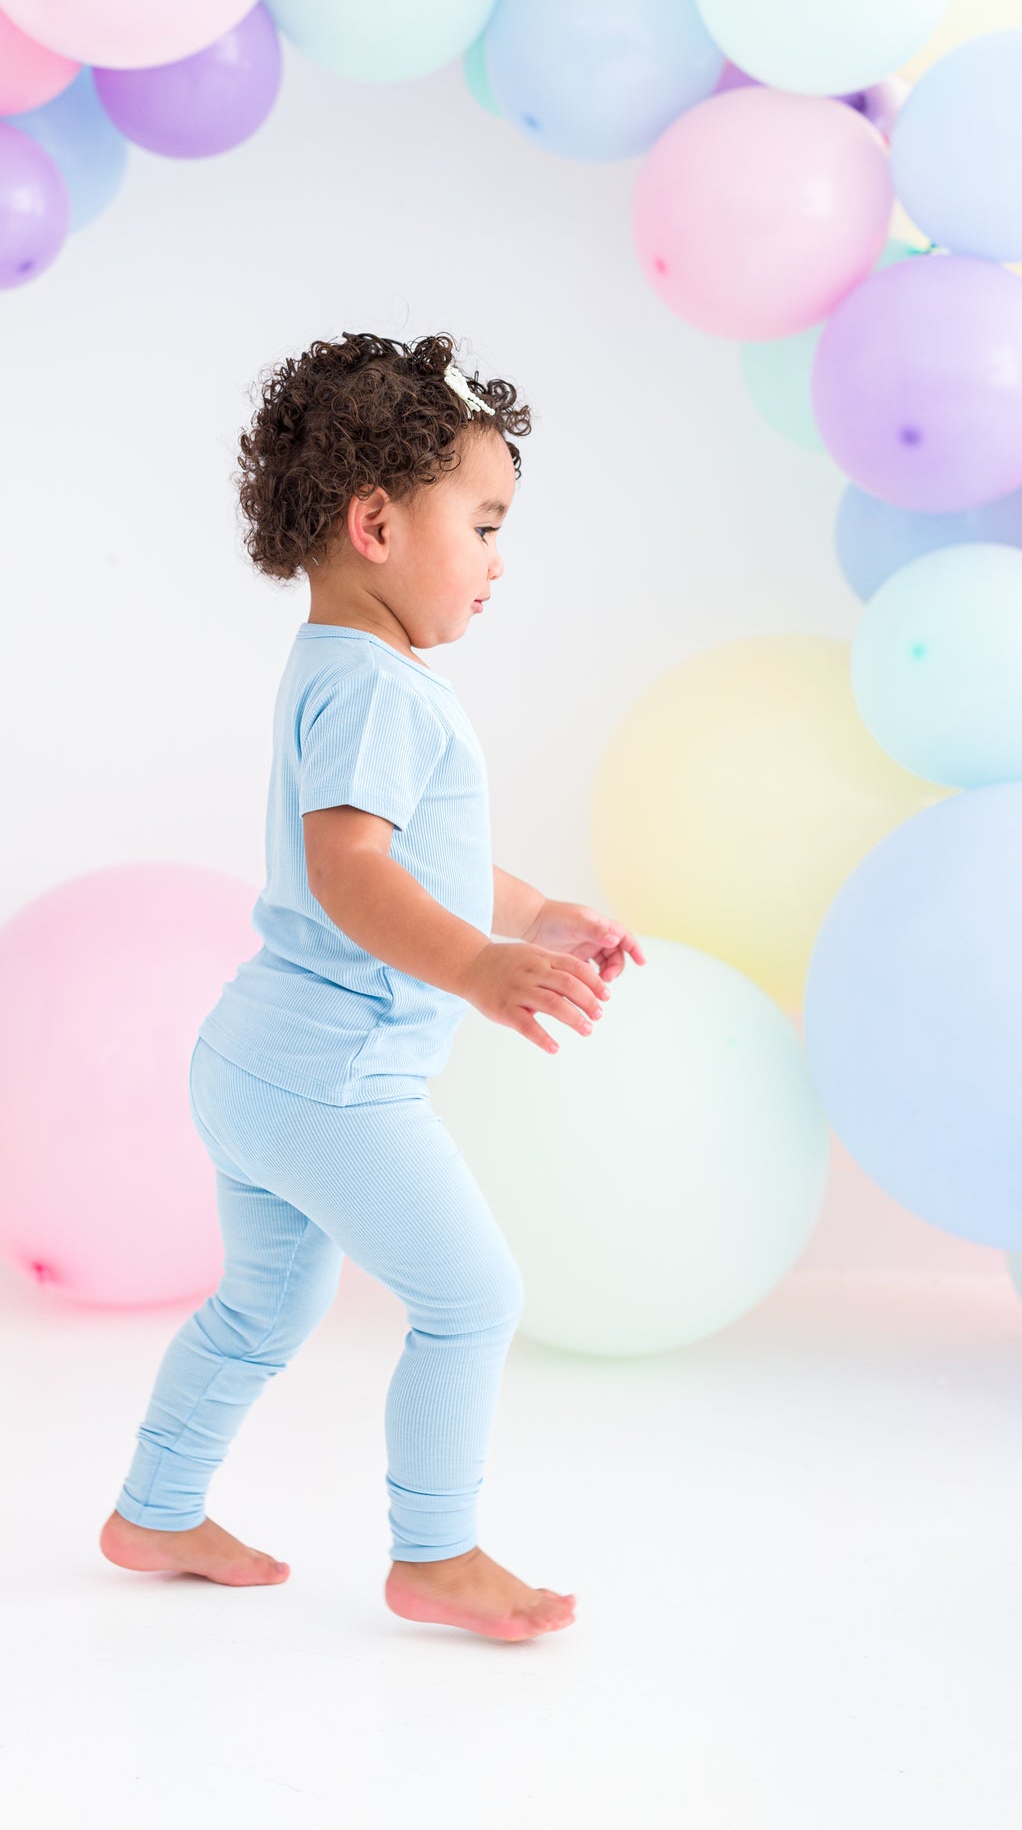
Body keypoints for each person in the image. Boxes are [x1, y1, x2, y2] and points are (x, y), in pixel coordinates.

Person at [100, 332, 643, 1641]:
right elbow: (351, 873)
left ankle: (156, 1507)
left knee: (265, 1302)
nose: (502, 561)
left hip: (260, 1062)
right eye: (488, 522)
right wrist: (478, 968)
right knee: (475, 1298)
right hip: (333, 1075)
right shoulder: (382, 689)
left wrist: (534, 913)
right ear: (378, 522)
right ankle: (434, 1552)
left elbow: (418, 852)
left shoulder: (342, 669)